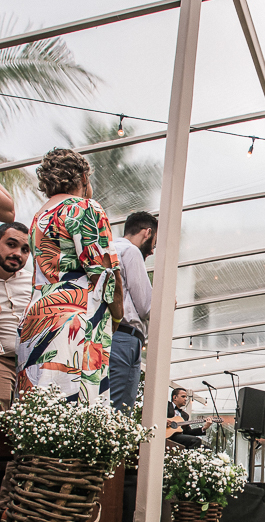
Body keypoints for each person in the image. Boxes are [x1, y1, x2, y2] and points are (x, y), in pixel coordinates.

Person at [16, 149, 121, 404]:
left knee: (42, 408)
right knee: (76, 408)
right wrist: (117, 315)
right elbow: (105, 273)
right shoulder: (84, 208)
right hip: (75, 318)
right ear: (84, 177)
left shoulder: (39, 217)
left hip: (38, 317)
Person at [110, 211, 157, 413]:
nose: (152, 251)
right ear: (146, 233)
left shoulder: (110, 249)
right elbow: (147, 306)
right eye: (154, 244)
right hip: (125, 338)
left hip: (112, 335)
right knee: (119, 408)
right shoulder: (130, 251)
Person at [0, 222, 32, 409]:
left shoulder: (33, 282)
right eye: (11, 245)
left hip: (29, 366)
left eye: (25, 250)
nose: (18, 254)